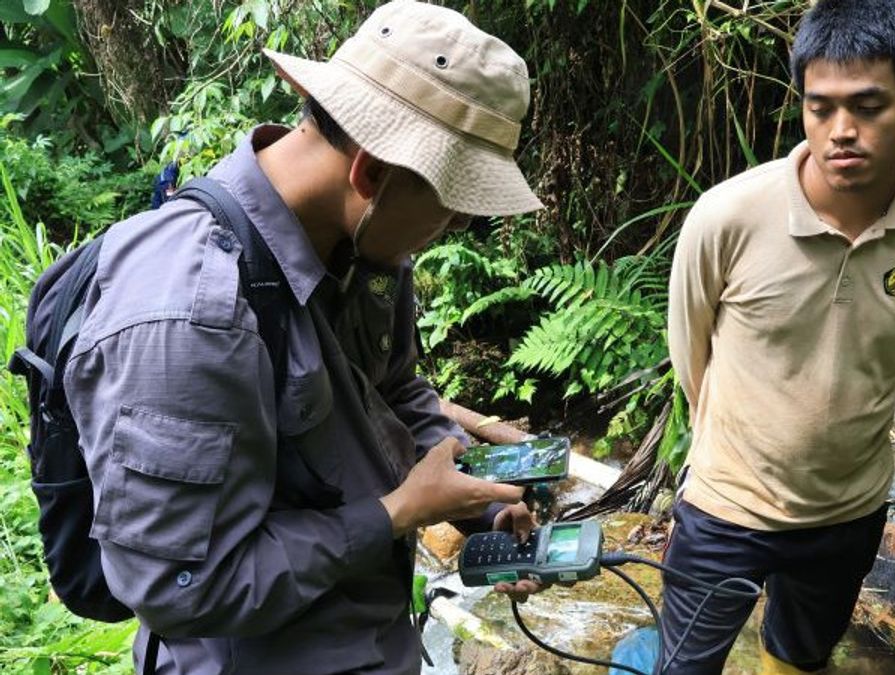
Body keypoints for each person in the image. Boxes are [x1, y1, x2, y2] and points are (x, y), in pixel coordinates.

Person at [64, 2, 546, 673]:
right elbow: (182, 586)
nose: (454, 231)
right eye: (453, 210)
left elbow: (393, 390)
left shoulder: (364, 247)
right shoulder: (186, 315)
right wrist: (399, 510)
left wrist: (469, 499)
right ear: (371, 175)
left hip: (373, 639)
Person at [663, 0, 895, 672]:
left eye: (868, 106)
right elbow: (689, 350)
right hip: (726, 505)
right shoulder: (726, 217)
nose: (841, 131)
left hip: (847, 511)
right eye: (821, 107)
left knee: (801, 658)